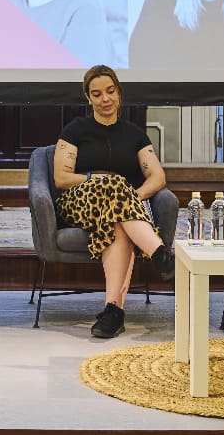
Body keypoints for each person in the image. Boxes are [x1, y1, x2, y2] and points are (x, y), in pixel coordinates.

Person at [52, 65, 173, 338]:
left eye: (110, 91)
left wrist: (130, 198)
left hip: (119, 211)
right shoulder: (75, 129)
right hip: (78, 203)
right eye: (97, 94)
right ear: (88, 98)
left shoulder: (135, 134)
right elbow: (61, 177)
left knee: (118, 220)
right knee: (113, 183)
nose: (104, 99)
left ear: (119, 93)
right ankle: (160, 254)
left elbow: (158, 177)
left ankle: (113, 311)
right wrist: (97, 178)